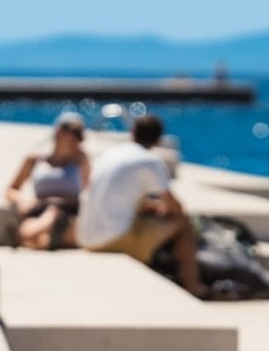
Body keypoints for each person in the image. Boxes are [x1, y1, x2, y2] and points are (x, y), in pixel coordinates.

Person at [79, 113, 205, 296]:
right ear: (159, 140)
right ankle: (193, 288)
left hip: (84, 236)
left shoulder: (111, 153)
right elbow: (175, 207)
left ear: (132, 132)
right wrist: (162, 208)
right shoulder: (149, 161)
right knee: (183, 223)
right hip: (110, 241)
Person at [6, 110, 90, 249]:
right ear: (58, 133)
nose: (77, 140)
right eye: (73, 133)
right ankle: (42, 238)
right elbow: (11, 189)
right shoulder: (34, 160)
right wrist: (21, 200)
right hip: (41, 208)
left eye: (80, 135)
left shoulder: (80, 160)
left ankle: (23, 237)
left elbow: (89, 188)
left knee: (52, 216)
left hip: (69, 211)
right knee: (45, 227)